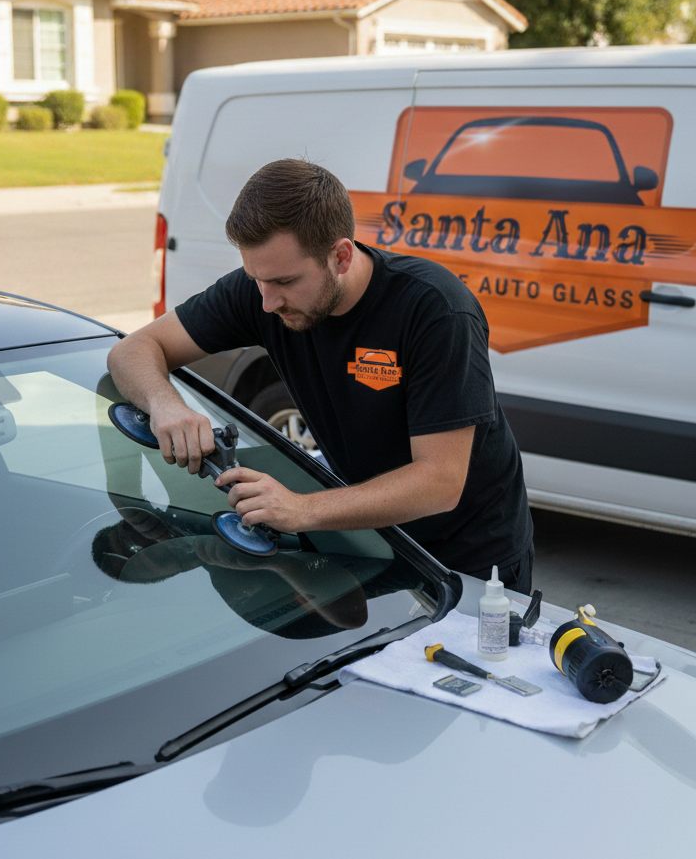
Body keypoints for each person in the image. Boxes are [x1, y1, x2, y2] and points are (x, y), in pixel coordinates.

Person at [107, 159, 533, 592]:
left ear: (341, 256)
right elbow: (132, 350)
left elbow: (440, 482)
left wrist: (299, 510)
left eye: (284, 282)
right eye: (256, 279)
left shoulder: (434, 310)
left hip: (470, 562)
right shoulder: (263, 290)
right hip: (368, 542)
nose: (268, 302)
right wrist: (165, 406)